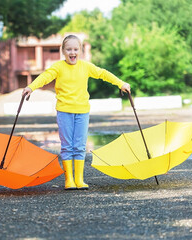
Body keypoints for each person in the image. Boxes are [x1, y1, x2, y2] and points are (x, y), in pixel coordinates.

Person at [22, 34, 131, 190]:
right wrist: (31, 87)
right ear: (63, 51)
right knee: (67, 146)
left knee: (79, 146)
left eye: (75, 49)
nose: (72, 52)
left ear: (80, 51)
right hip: (64, 112)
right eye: (68, 49)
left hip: (82, 112)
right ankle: (69, 180)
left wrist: (120, 83)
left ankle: (79, 180)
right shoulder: (58, 67)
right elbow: (45, 77)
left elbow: (103, 73)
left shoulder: (85, 67)